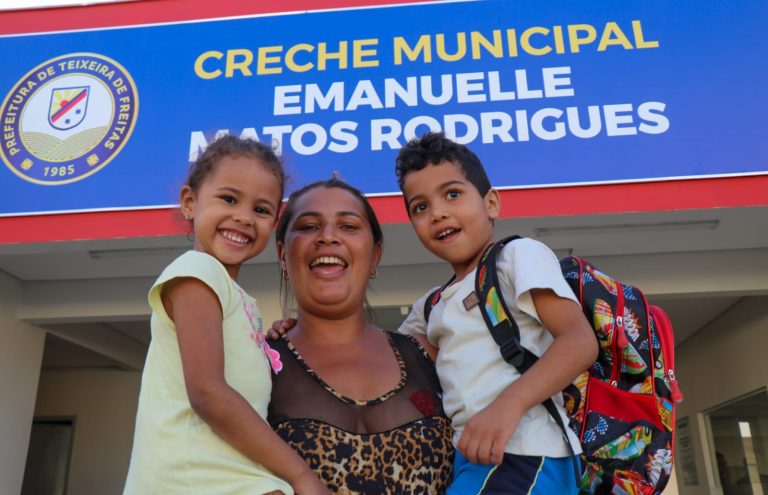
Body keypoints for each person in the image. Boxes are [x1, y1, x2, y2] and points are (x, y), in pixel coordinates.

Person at [395, 132, 599, 494]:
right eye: (420, 207)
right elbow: (383, 355)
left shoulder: (516, 256)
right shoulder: (431, 305)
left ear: (491, 203)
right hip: (474, 457)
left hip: (528, 452)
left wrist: (508, 405)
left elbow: (580, 342)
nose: (438, 212)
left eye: (452, 194)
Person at [123, 135, 328, 495]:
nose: (243, 217)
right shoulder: (196, 272)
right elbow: (209, 393)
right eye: (229, 199)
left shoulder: (236, 298)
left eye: (261, 210)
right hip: (191, 476)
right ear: (189, 202)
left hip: (227, 473)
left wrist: (272, 341)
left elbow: (236, 367)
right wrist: (302, 476)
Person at [267, 177, 454, 494]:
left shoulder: (430, 355)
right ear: (283, 255)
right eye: (309, 226)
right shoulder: (256, 363)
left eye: (349, 226)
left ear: (375, 256)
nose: (328, 237)